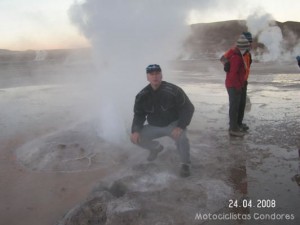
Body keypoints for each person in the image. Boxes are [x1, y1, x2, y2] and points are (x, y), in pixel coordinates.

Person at [130, 64, 195, 177]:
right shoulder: (142, 95)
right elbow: (139, 115)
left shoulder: (174, 90)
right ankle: (155, 148)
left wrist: (180, 126)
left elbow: (188, 108)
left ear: (161, 75)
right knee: (134, 137)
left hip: (173, 125)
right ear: (147, 77)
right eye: (152, 74)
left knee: (182, 139)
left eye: (157, 73)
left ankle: (185, 164)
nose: (155, 76)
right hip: (154, 126)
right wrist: (135, 130)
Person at [221, 32, 253, 132]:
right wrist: (227, 65)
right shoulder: (235, 51)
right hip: (235, 82)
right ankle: (234, 126)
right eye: (249, 41)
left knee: (242, 104)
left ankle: (238, 123)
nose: (251, 44)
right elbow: (223, 59)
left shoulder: (247, 53)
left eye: (251, 41)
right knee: (235, 105)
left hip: (243, 81)